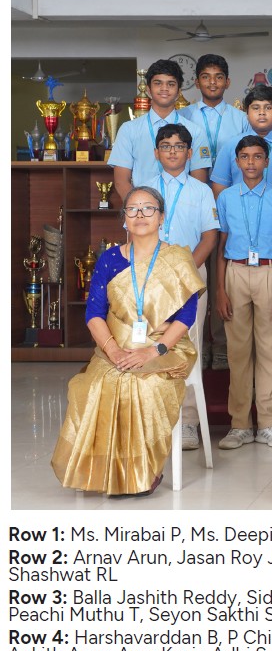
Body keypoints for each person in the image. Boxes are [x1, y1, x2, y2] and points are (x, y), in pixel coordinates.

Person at [51, 187, 204, 496]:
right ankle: (103, 470)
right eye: (132, 209)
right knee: (97, 385)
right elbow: (94, 313)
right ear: (124, 219)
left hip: (165, 347)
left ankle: (144, 470)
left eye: (148, 208)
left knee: (144, 386)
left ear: (161, 217)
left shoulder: (177, 259)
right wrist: (114, 351)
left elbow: (186, 315)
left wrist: (153, 350)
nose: (140, 215)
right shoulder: (110, 259)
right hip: (116, 346)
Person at [215, 135, 272, 450]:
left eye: (257, 156)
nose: (251, 162)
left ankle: (268, 423)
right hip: (235, 272)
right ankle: (240, 425)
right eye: (245, 157)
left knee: (271, 351)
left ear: (267, 161)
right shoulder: (226, 197)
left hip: (270, 271)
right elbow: (221, 245)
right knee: (237, 351)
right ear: (237, 161)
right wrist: (220, 290)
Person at [153, 124, 219, 450]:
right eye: (166, 146)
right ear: (157, 153)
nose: (173, 151)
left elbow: (209, 236)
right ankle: (156, 418)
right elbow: (133, 234)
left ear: (190, 153)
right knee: (152, 342)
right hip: (152, 278)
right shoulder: (145, 189)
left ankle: (189, 422)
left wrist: (185, 273)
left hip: (191, 277)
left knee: (189, 345)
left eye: (179, 146)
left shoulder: (201, 191)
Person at [108, 58, 212, 200]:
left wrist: (183, 207)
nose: (164, 88)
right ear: (148, 90)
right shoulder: (128, 130)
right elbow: (121, 182)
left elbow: (199, 181)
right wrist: (141, 208)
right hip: (142, 208)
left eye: (171, 84)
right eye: (158, 83)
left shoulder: (195, 131)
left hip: (183, 207)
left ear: (179, 91)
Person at [210, 85, 272, 198]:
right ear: (247, 113)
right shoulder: (231, 145)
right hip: (238, 208)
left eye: (268, 108)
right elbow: (220, 188)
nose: (262, 113)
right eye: (256, 108)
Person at [180, 53, 249, 164]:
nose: (212, 82)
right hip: (192, 174)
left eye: (219, 77)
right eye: (206, 77)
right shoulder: (182, 116)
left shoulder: (242, 119)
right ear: (197, 83)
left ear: (227, 83)